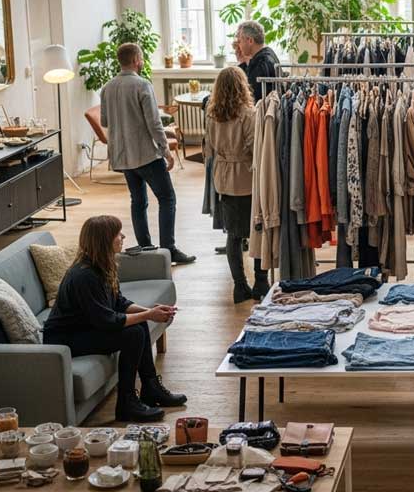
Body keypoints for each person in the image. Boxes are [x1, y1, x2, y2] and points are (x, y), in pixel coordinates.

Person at [43, 215, 186, 422]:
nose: (123, 237)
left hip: (86, 327)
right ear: (104, 240)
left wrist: (148, 311)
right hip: (67, 338)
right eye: (118, 234)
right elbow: (108, 321)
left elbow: (118, 302)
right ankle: (126, 404)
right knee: (134, 333)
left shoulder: (103, 265)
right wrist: (148, 314)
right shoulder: (85, 276)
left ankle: (151, 388)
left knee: (140, 324)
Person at [100, 43, 195, 265]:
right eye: (141, 58)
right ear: (135, 60)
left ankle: (145, 249)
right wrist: (166, 151)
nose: (142, 62)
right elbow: (154, 123)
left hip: (123, 157)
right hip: (145, 154)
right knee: (167, 198)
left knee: (138, 201)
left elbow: (105, 121)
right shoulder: (142, 85)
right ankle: (168, 249)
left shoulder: (107, 87)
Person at [205, 66, 269, 304]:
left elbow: (209, 148)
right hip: (246, 176)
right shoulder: (249, 114)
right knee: (257, 231)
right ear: (243, 87)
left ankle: (239, 286)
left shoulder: (211, 115)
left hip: (223, 177)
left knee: (233, 235)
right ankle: (260, 282)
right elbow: (254, 148)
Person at [233, 20, 280, 103]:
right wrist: (243, 62)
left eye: (240, 41)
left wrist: (242, 63)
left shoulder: (261, 63)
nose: (239, 45)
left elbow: (248, 97)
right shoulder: (268, 54)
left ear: (250, 41)